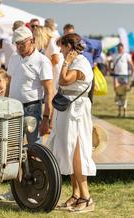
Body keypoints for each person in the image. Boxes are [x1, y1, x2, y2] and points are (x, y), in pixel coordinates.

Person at [0, 26, 54, 201]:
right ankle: (16, 190)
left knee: (34, 150)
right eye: (17, 44)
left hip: (32, 108)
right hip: (13, 108)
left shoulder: (42, 61)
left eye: (23, 43)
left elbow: (49, 92)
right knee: (14, 150)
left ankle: (39, 189)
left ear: (32, 41)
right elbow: (9, 82)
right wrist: (4, 103)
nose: (20, 47)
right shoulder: (14, 58)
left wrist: (46, 118)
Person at [46, 33, 96, 213]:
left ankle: (86, 198)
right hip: (68, 111)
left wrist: (65, 62)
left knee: (77, 152)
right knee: (69, 150)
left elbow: (64, 80)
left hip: (77, 113)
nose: (60, 50)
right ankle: (76, 195)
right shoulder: (76, 61)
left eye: (62, 46)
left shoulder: (80, 63)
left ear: (69, 46)